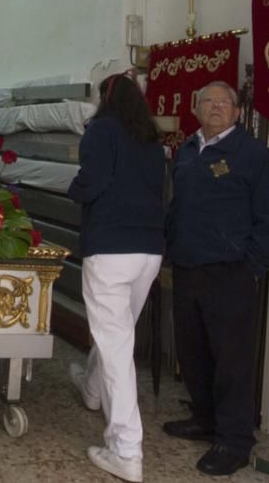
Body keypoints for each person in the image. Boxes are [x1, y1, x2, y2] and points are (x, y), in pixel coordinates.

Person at [163, 80, 269, 476]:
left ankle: (234, 441)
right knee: (193, 353)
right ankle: (205, 419)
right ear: (196, 110)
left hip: (229, 275)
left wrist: (250, 266)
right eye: (207, 101)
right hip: (187, 269)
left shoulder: (252, 154)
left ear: (236, 112)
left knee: (232, 363)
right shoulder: (186, 150)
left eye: (223, 102)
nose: (215, 107)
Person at [67, 74, 165, 483]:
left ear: (103, 98)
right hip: (149, 252)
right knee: (118, 333)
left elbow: (92, 183)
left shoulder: (100, 131)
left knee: (117, 346)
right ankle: (92, 389)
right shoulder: (151, 139)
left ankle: (126, 449)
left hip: (110, 249)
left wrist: (74, 188)